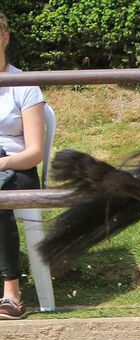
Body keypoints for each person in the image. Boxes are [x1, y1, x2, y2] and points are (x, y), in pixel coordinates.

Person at [0, 12, 45, 320]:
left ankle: (11, 293)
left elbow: (35, 153)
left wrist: (2, 162)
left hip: (17, 169)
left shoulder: (24, 86)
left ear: (4, 37)